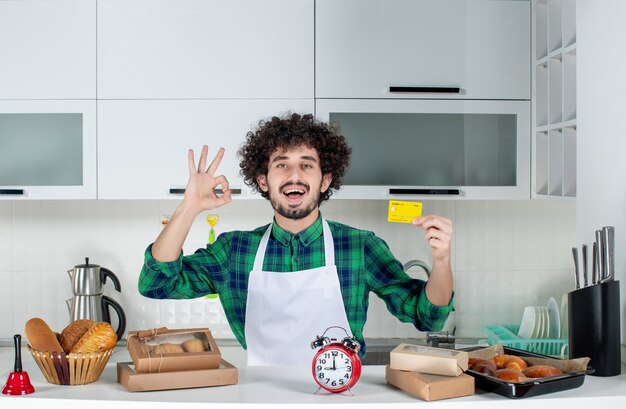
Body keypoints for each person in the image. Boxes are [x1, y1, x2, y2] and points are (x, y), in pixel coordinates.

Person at [139, 113, 454, 366]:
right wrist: (189, 207)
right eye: (281, 165)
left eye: (306, 164)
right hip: (263, 398)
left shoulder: (360, 246)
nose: (294, 175)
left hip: (340, 399)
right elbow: (157, 284)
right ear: (264, 181)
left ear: (324, 180)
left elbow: (426, 316)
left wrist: (441, 262)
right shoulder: (234, 251)